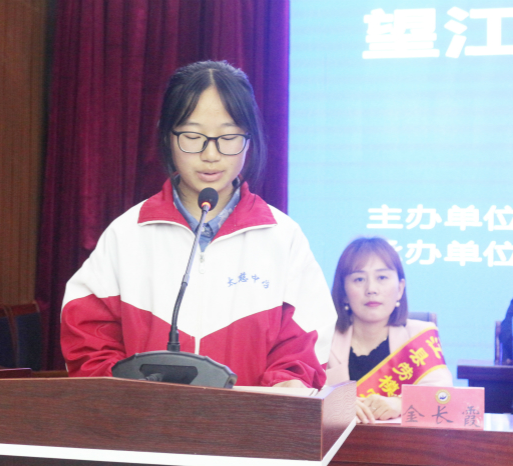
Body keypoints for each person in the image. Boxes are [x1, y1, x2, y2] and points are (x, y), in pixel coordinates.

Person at [60, 61, 336, 388]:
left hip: (252, 418)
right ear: (167, 136)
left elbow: (306, 340)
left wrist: (284, 387)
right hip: (144, 419)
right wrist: (125, 393)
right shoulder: (127, 234)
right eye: (193, 136)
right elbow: (87, 337)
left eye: (228, 137)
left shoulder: (282, 237)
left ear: (249, 138)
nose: (211, 155)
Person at [326, 237, 453, 423]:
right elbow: (303, 395)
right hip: (338, 440)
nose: (371, 289)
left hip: (402, 440)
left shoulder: (419, 336)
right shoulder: (323, 341)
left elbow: (444, 396)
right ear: (343, 292)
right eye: (359, 279)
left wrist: (401, 404)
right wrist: (336, 405)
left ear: (400, 288)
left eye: (382, 278)